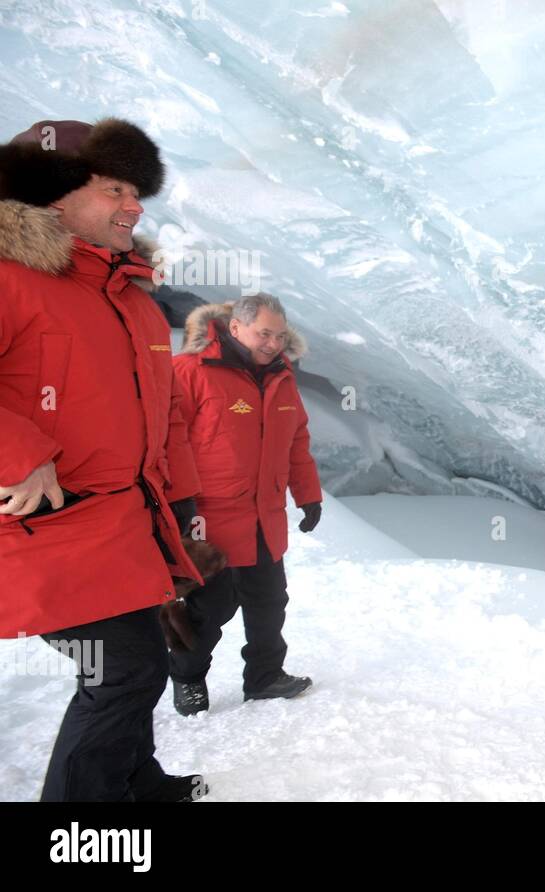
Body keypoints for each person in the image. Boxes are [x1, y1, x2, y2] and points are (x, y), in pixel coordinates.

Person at [0, 118, 211, 801]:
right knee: (120, 671)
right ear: (53, 193)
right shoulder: (10, 278)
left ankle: (132, 779)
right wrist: (20, 453)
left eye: (138, 191)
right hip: (44, 529)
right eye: (115, 188)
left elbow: (165, 414)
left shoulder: (131, 300)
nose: (135, 206)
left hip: (124, 525)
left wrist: (182, 501)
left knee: (139, 660)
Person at [168, 294, 323, 715]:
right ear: (236, 328)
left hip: (264, 515)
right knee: (210, 608)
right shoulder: (191, 371)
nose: (272, 343)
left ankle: (265, 676)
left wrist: (308, 495)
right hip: (208, 518)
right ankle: (187, 679)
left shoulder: (282, 378)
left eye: (279, 335)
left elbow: (296, 442)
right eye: (263, 333)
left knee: (270, 601)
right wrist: (172, 503)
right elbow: (165, 439)